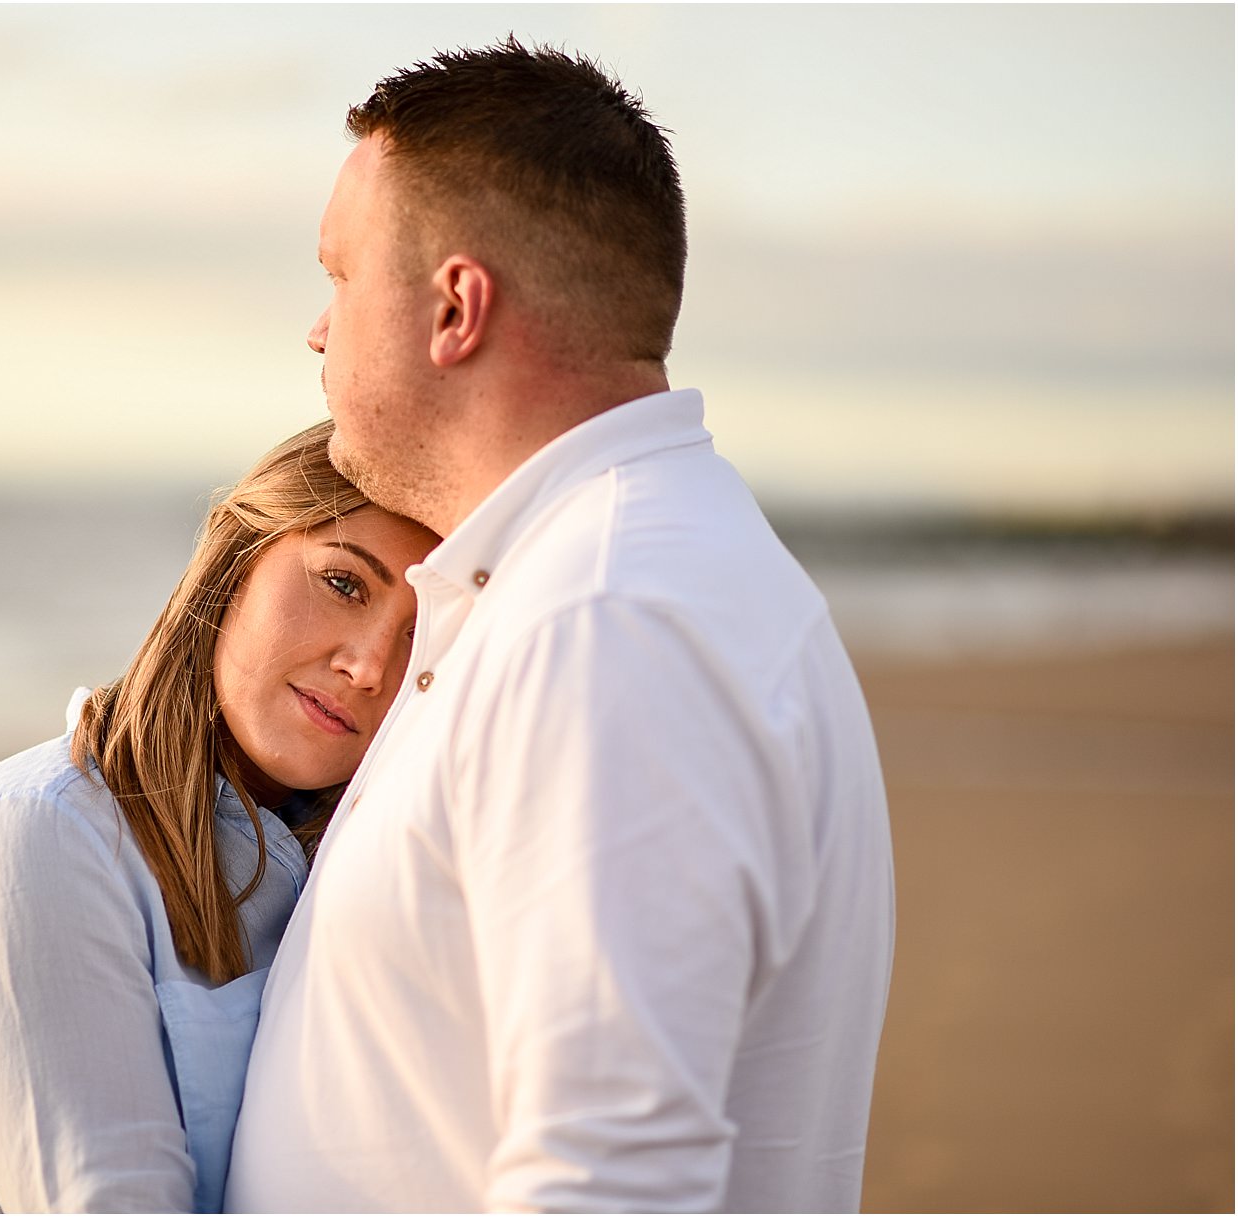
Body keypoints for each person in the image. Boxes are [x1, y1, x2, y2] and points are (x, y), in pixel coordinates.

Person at [226, 38, 895, 1213]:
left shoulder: (606, 620)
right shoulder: (605, 579)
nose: (317, 331)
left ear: (452, 307)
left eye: (338, 277)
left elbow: (610, 1178)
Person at [0, 420, 437, 1213]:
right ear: (234, 560)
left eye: (421, 639)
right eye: (344, 583)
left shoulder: (366, 868)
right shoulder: (41, 840)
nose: (369, 665)